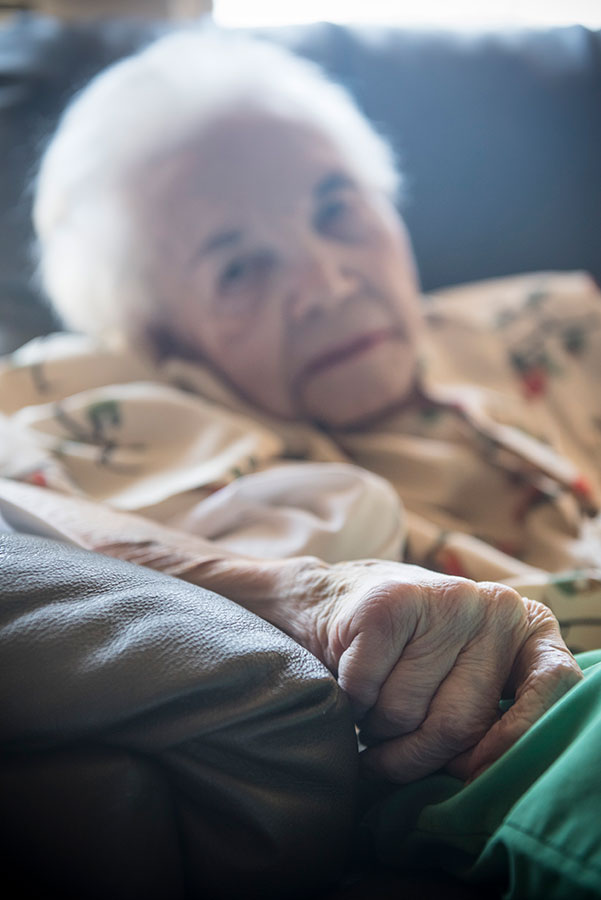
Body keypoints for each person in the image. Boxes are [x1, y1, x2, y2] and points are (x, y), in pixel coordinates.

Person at [1, 27, 600, 896]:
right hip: (512, 717)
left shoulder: (549, 318)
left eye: (335, 210)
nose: (327, 282)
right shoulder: (113, 414)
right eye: (240, 267)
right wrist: (301, 589)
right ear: (161, 335)